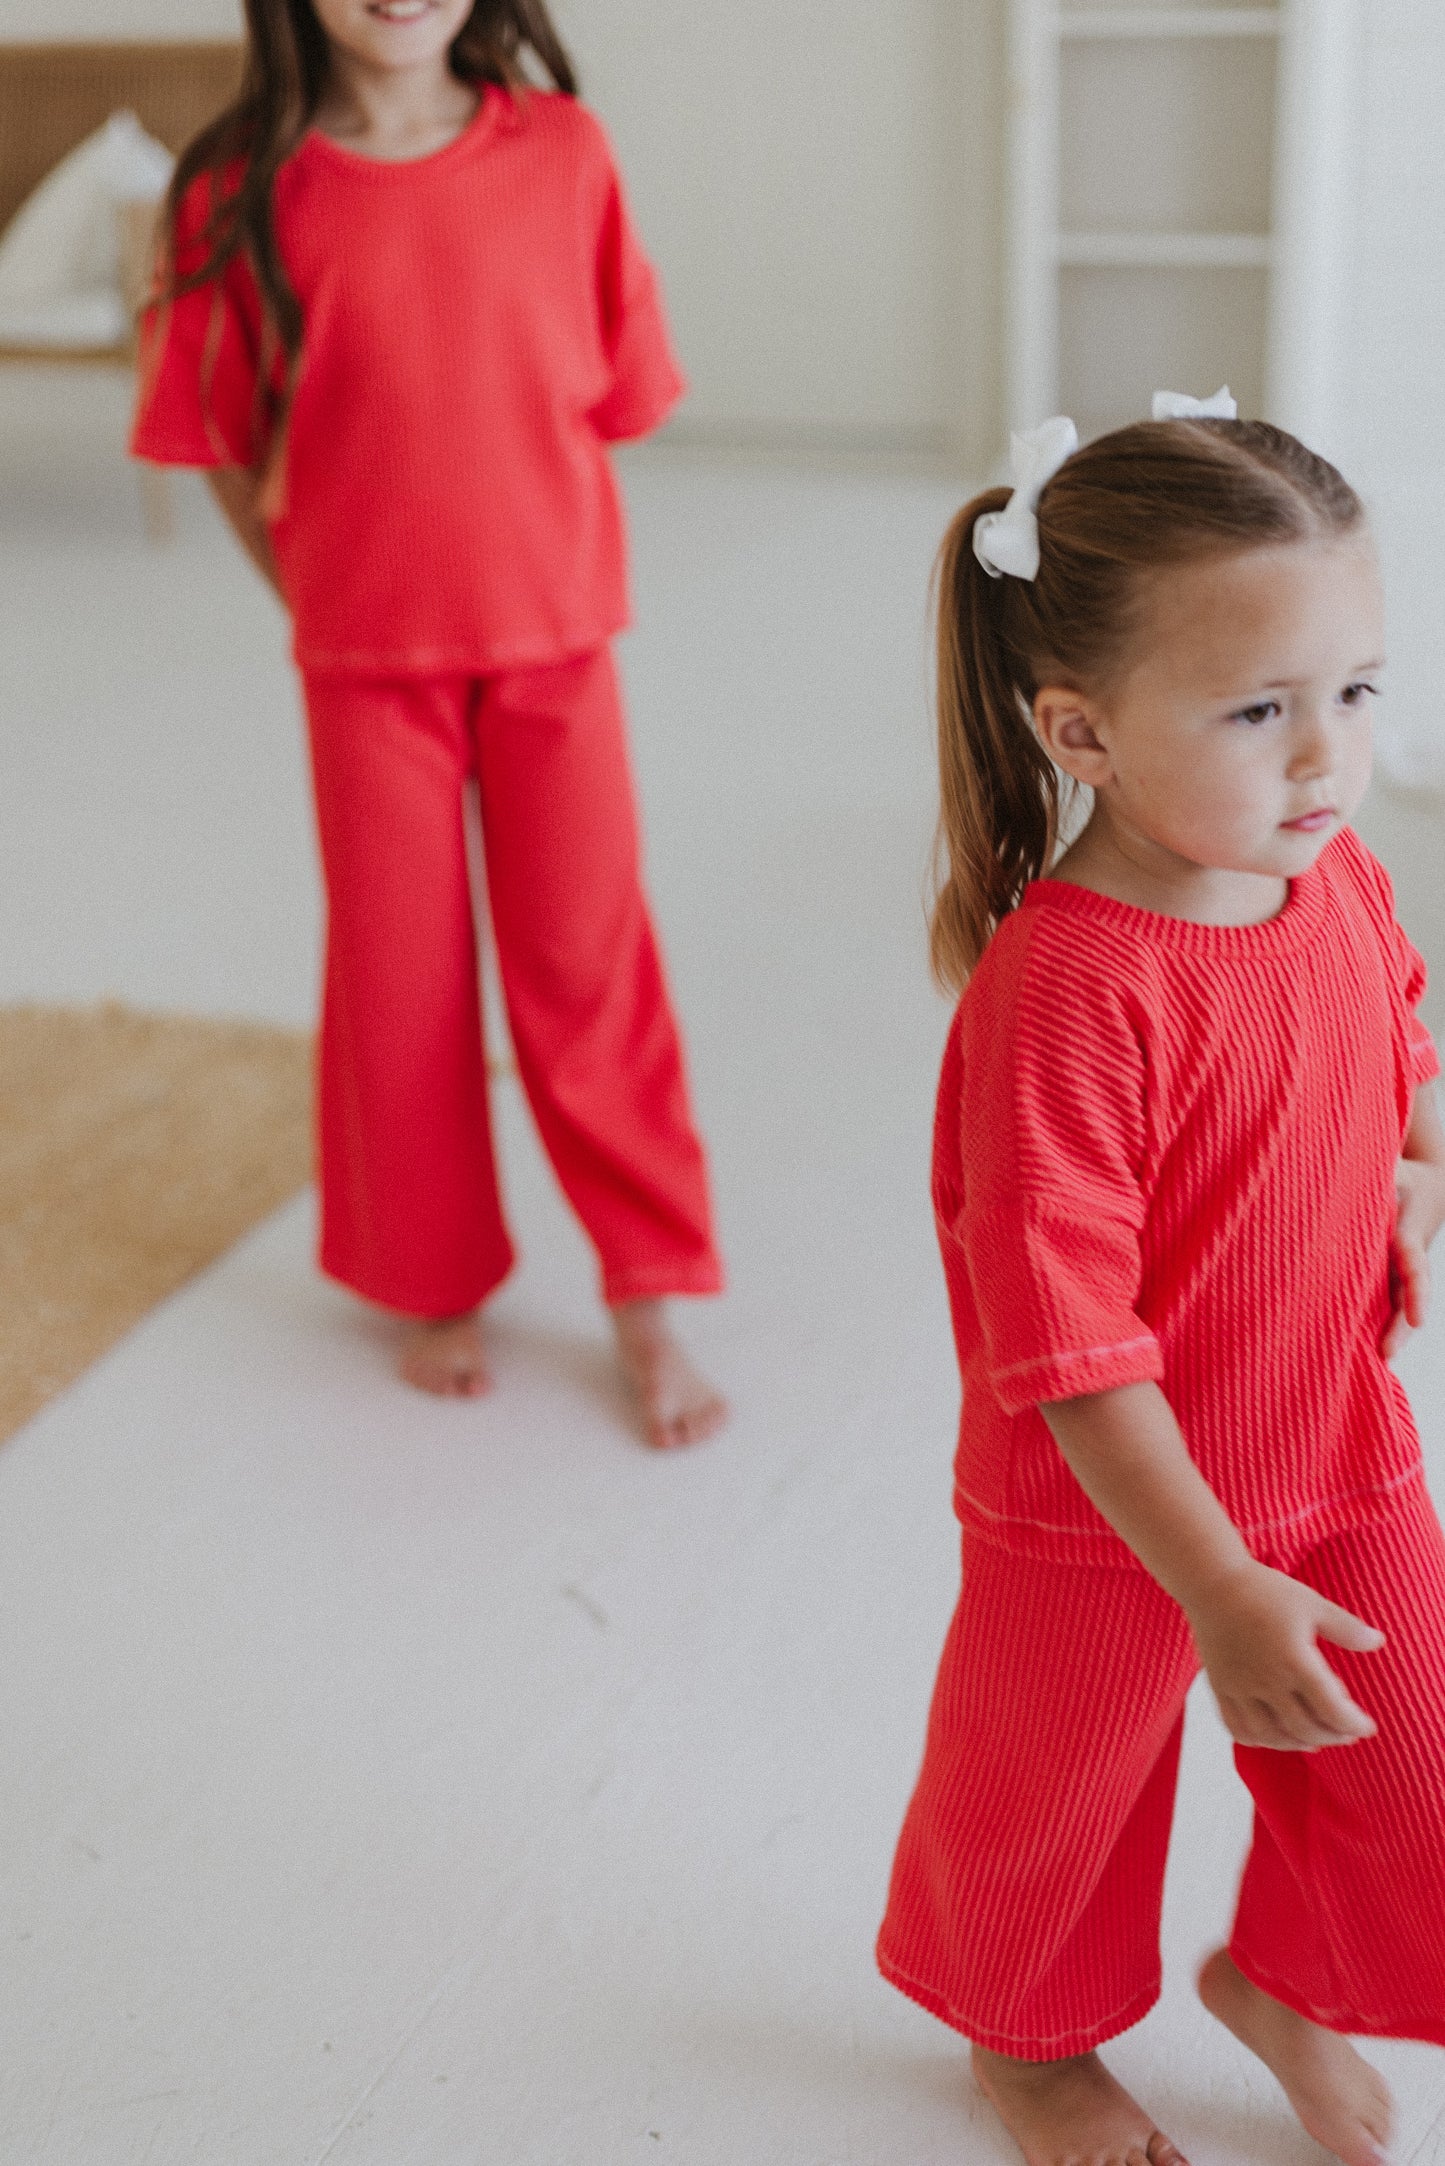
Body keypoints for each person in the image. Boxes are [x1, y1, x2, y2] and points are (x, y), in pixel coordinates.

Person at [875, 393, 1445, 2166]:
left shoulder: (1331, 877)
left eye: (1353, 691)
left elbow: (1404, 1049)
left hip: (1329, 1438)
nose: (1323, 758)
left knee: (1413, 1769)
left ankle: (1284, 1979)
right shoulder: (1067, 992)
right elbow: (1069, 1343)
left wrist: (1417, 1169)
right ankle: (1029, 2048)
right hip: (1106, 1499)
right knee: (1049, 1800)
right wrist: (1205, 1578)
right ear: (1082, 730)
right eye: (1258, 709)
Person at [130, 0, 727, 1448]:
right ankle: (431, 1269)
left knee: (589, 960)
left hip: (555, 641)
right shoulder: (237, 187)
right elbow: (221, 435)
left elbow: (616, 390)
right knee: (400, 978)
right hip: (363, 664)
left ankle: (647, 1279)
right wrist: (312, 588)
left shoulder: (565, 152)